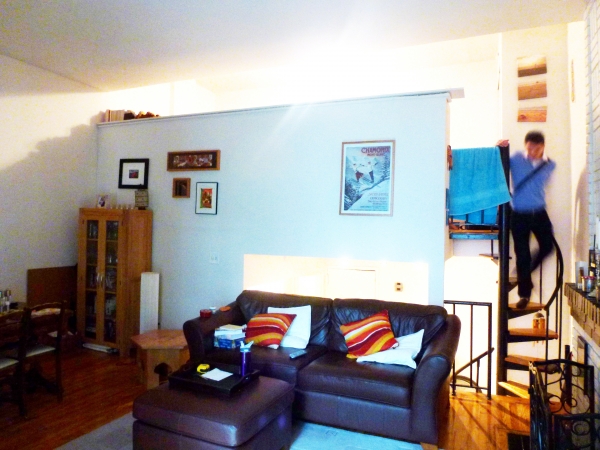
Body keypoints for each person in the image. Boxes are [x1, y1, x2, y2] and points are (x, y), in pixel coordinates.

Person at [498, 131, 556, 309]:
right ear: (526, 146)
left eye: (535, 148)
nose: (531, 152)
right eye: (529, 148)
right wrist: (499, 147)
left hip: (539, 212)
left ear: (542, 147)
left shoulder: (550, 164)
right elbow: (498, 163)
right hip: (519, 213)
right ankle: (524, 295)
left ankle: (525, 273)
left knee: (548, 246)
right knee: (522, 254)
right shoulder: (516, 159)